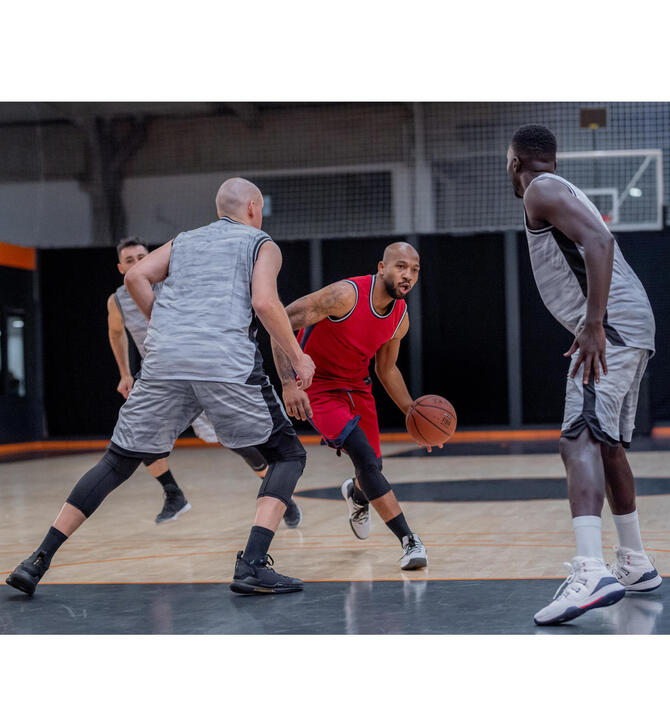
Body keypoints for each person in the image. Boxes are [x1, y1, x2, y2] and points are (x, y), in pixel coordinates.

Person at [6, 178, 315, 597]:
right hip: (223, 361)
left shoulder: (184, 240)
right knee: (288, 454)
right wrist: (298, 357)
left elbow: (135, 277)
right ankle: (252, 565)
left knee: (116, 462)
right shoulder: (260, 243)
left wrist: (161, 323)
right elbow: (264, 303)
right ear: (254, 207)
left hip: (164, 360)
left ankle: (36, 560)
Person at [506, 124, 662, 626]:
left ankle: (592, 569)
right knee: (607, 442)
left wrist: (593, 324)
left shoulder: (541, 189)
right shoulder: (561, 189)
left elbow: (599, 240)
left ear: (514, 162)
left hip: (611, 325)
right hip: (629, 323)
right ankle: (635, 562)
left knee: (577, 440)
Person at [108, 237, 302, 526]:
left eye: (142, 257)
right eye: (131, 260)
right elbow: (116, 333)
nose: (137, 263)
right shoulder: (118, 300)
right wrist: (125, 372)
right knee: (140, 433)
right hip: (162, 376)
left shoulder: (174, 283)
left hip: (204, 369)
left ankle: (280, 496)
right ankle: (173, 494)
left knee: (237, 440)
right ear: (121, 268)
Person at [272, 242, 428, 570]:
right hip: (319, 388)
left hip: (358, 388)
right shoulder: (345, 295)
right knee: (365, 457)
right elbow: (281, 320)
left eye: (414, 270)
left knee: (372, 470)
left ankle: (357, 495)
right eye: (401, 266)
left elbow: (386, 369)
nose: (408, 275)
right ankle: (409, 540)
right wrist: (288, 383)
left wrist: (412, 412)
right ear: (381, 267)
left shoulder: (400, 317)